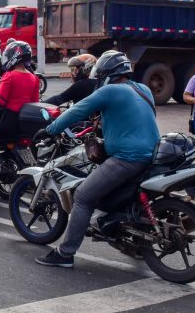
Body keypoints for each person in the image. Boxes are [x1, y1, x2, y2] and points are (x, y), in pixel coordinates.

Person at [36, 50, 159, 269]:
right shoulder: (144, 89)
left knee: (83, 196)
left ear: (106, 73)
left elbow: (76, 111)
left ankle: (65, 253)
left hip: (127, 158)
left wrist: (50, 129)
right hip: (153, 154)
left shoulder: (110, 91)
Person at [0, 41, 41, 138]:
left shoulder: (9, 76)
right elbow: (35, 102)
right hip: (25, 122)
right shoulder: (34, 78)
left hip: (9, 121)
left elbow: (0, 102)